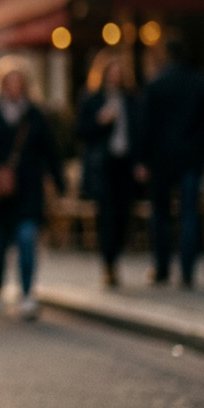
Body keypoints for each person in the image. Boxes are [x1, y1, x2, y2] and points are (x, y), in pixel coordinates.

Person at [0, 60, 64, 320]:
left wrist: (59, 182)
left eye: (19, 84)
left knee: (26, 239)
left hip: (28, 189)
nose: (14, 88)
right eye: (9, 83)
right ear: (0, 85)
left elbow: (50, 152)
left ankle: (27, 294)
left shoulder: (35, 115)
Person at [136, 38, 204, 288]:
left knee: (160, 213)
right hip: (191, 158)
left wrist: (143, 159)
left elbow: (144, 125)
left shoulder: (155, 84)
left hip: (161, 159)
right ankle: (187, 270)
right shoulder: (202, 83)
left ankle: (162, 268)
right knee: (189, 213)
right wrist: (200, 148)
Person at [76, 56, 138, 287]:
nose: (115, 78)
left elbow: (139, 130)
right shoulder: (92, 99)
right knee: (107, 215)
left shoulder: (130, 100)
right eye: (111, 73)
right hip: (103, 165)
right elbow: (81, 130)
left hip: (125, 163)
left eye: (118, 73)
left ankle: (116, 254)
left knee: (123, 213)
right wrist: (100, 120)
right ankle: (109, 263)